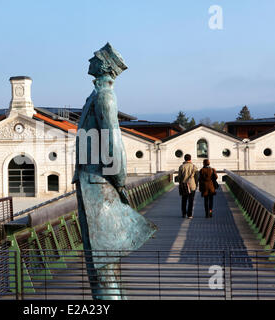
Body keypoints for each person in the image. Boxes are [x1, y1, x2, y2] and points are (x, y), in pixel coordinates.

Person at [72, 43, 157, 300]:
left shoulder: (104, 97)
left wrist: (119, 181)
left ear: (105, 65)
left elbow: (113, 141)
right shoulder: (97, 96)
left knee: (101, 259)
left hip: (97, 185)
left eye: (96, 57)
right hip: (91, 184)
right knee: (99, 260)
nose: (90, 59)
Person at [178, 154, 199, 219]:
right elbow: (196, 177)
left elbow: (179, 177)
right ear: (190, 159)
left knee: (184, 200)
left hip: (184, 185)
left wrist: (180, 183)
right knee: (191, 200)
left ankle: (184, 213)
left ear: (184, 159)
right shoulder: (194, 167)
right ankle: (189, 214)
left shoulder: (181, 167)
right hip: (192, 185)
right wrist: (196, 185)